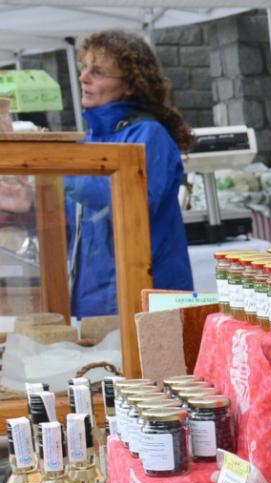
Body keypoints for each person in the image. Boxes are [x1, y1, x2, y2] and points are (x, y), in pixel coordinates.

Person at [67, 30, 194, 317]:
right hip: (93, 295)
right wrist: (27, 199)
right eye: (84, 68)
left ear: (129, 86)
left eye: (97, 72)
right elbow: (73, 216)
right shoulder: (90, 139)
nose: (83, 77)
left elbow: (128, 202)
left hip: (148, 292)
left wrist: (60, 173)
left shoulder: (149, 134)